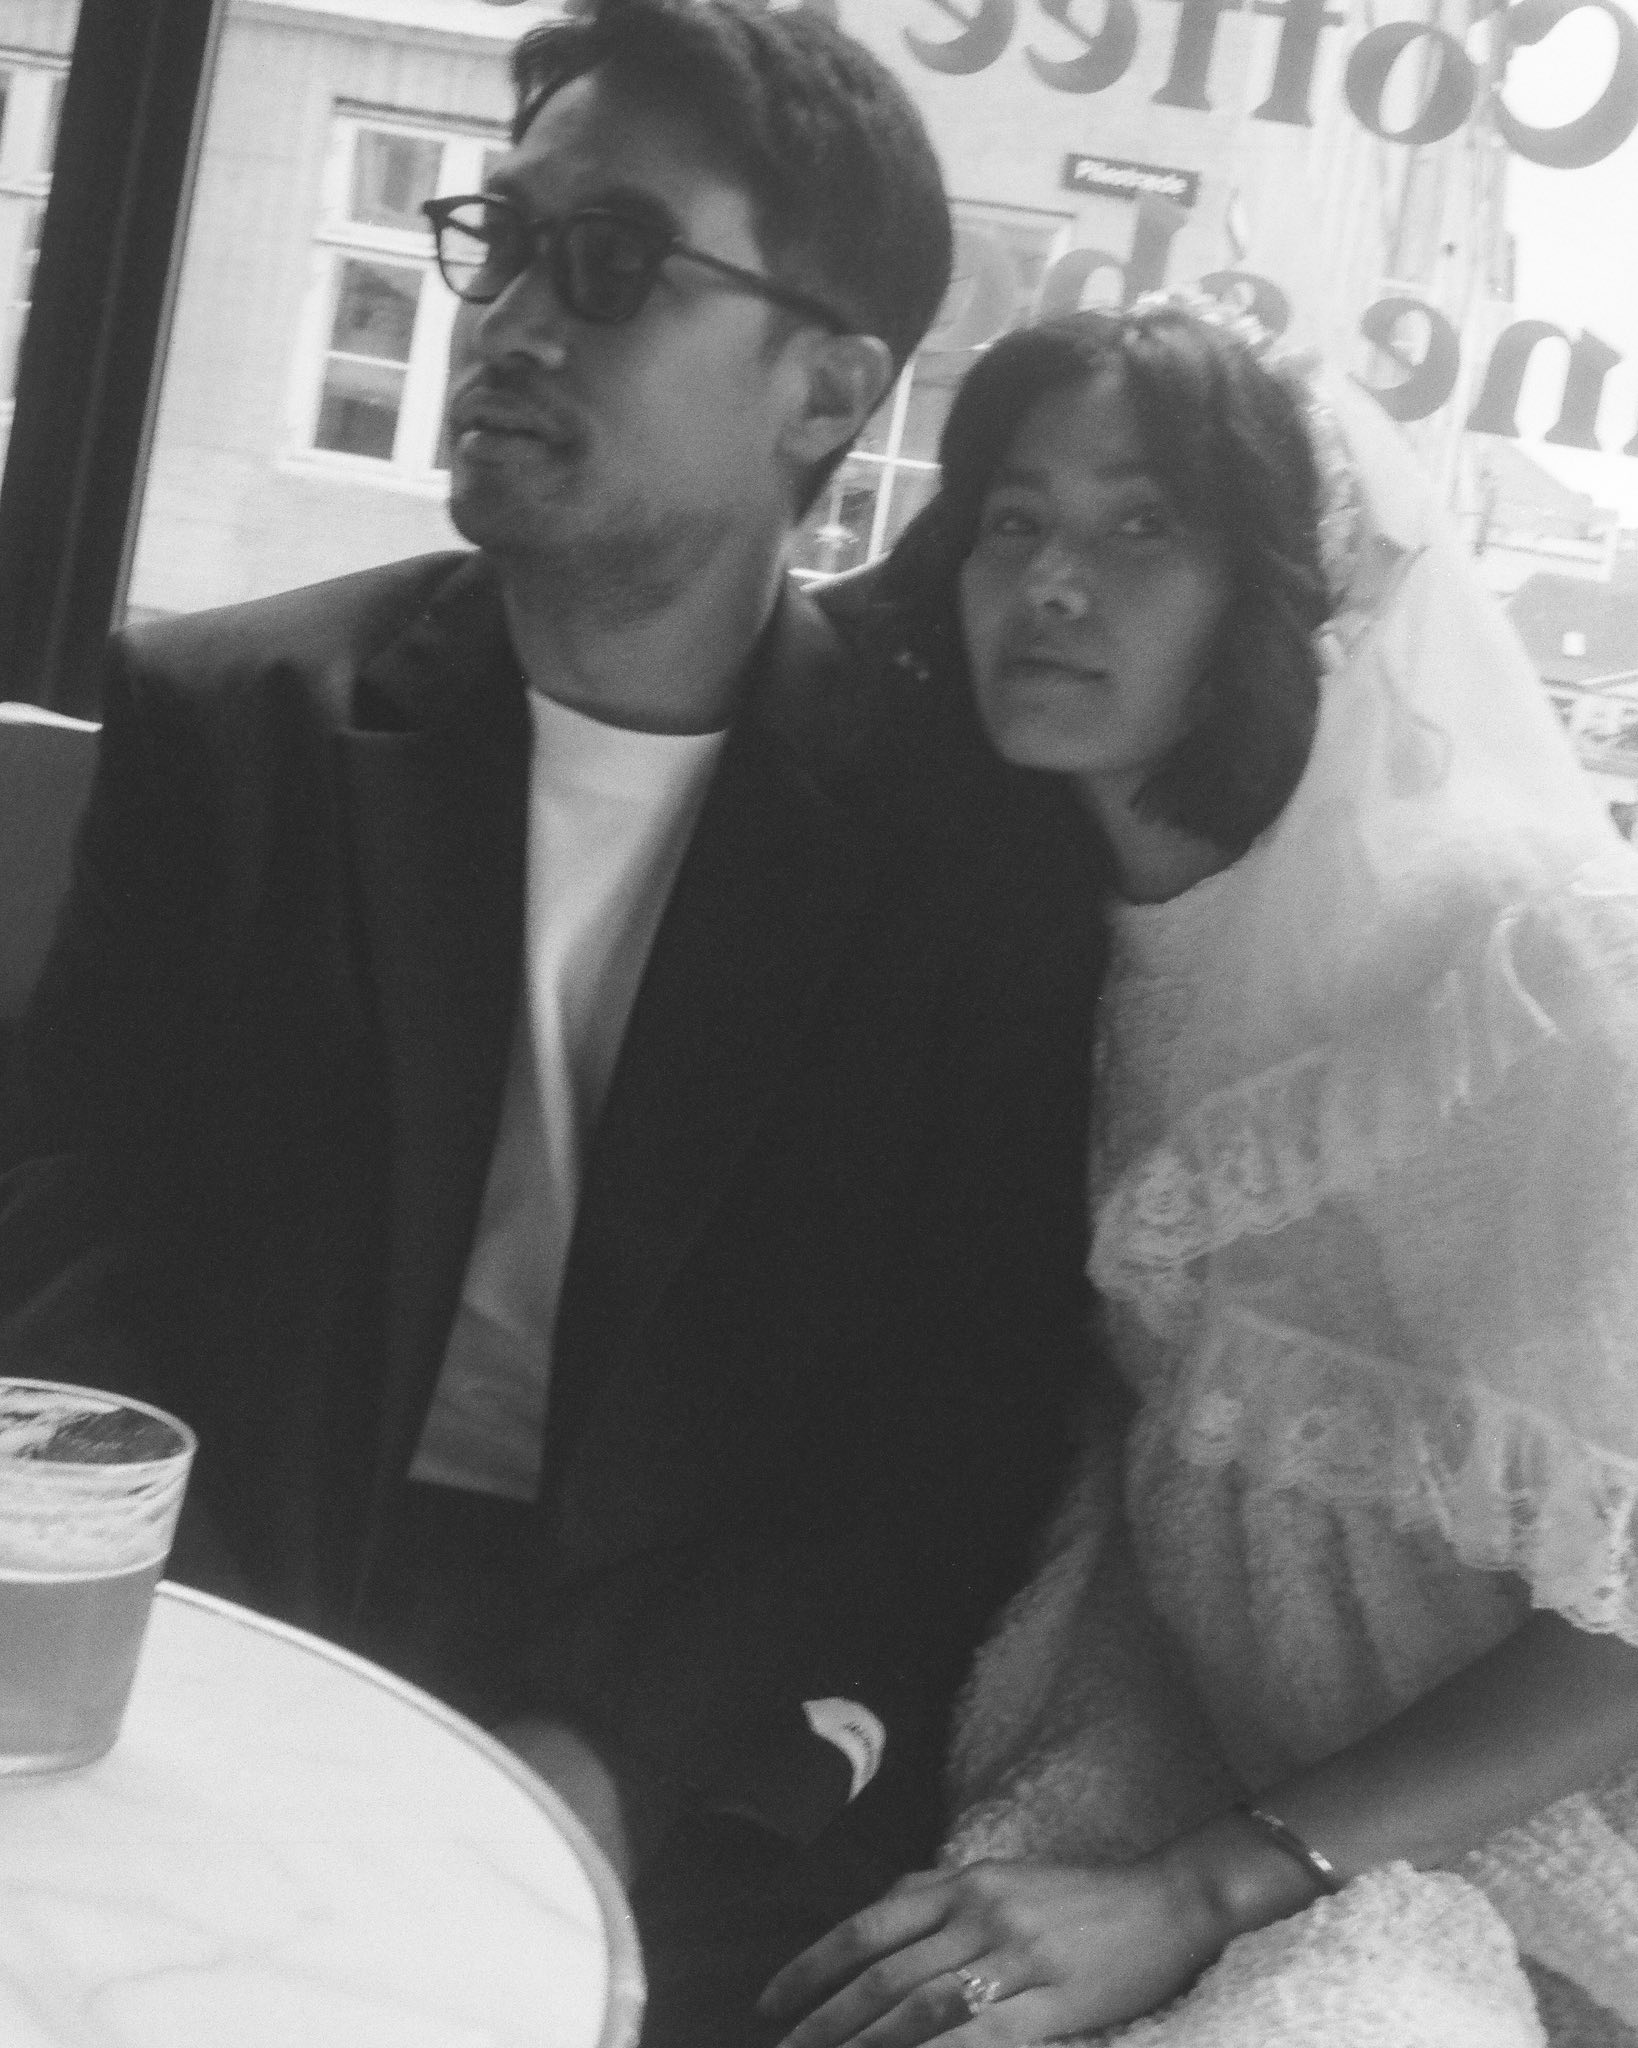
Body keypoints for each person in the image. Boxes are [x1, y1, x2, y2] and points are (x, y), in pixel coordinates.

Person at [0, 6, 1105, 2042]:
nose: (507, 318)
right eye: (499, 240)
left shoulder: (966, 866)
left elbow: (943, 1432)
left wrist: (618, 1754)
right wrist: (192, 1645)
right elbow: (75, 1227)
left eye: (609, 263)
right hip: (231, 1597)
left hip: (676, 1700)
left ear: (828, 387)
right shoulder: (235, 724)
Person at [758, 297, 1638, 2047]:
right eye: (1013, 519)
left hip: (1508, 1814)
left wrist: (1197, 1891)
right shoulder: (1030, 918)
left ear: (1279, 593)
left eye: (1140, 527)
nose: (1049, 584)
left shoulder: (1513, 965)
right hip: (1185, 1715)